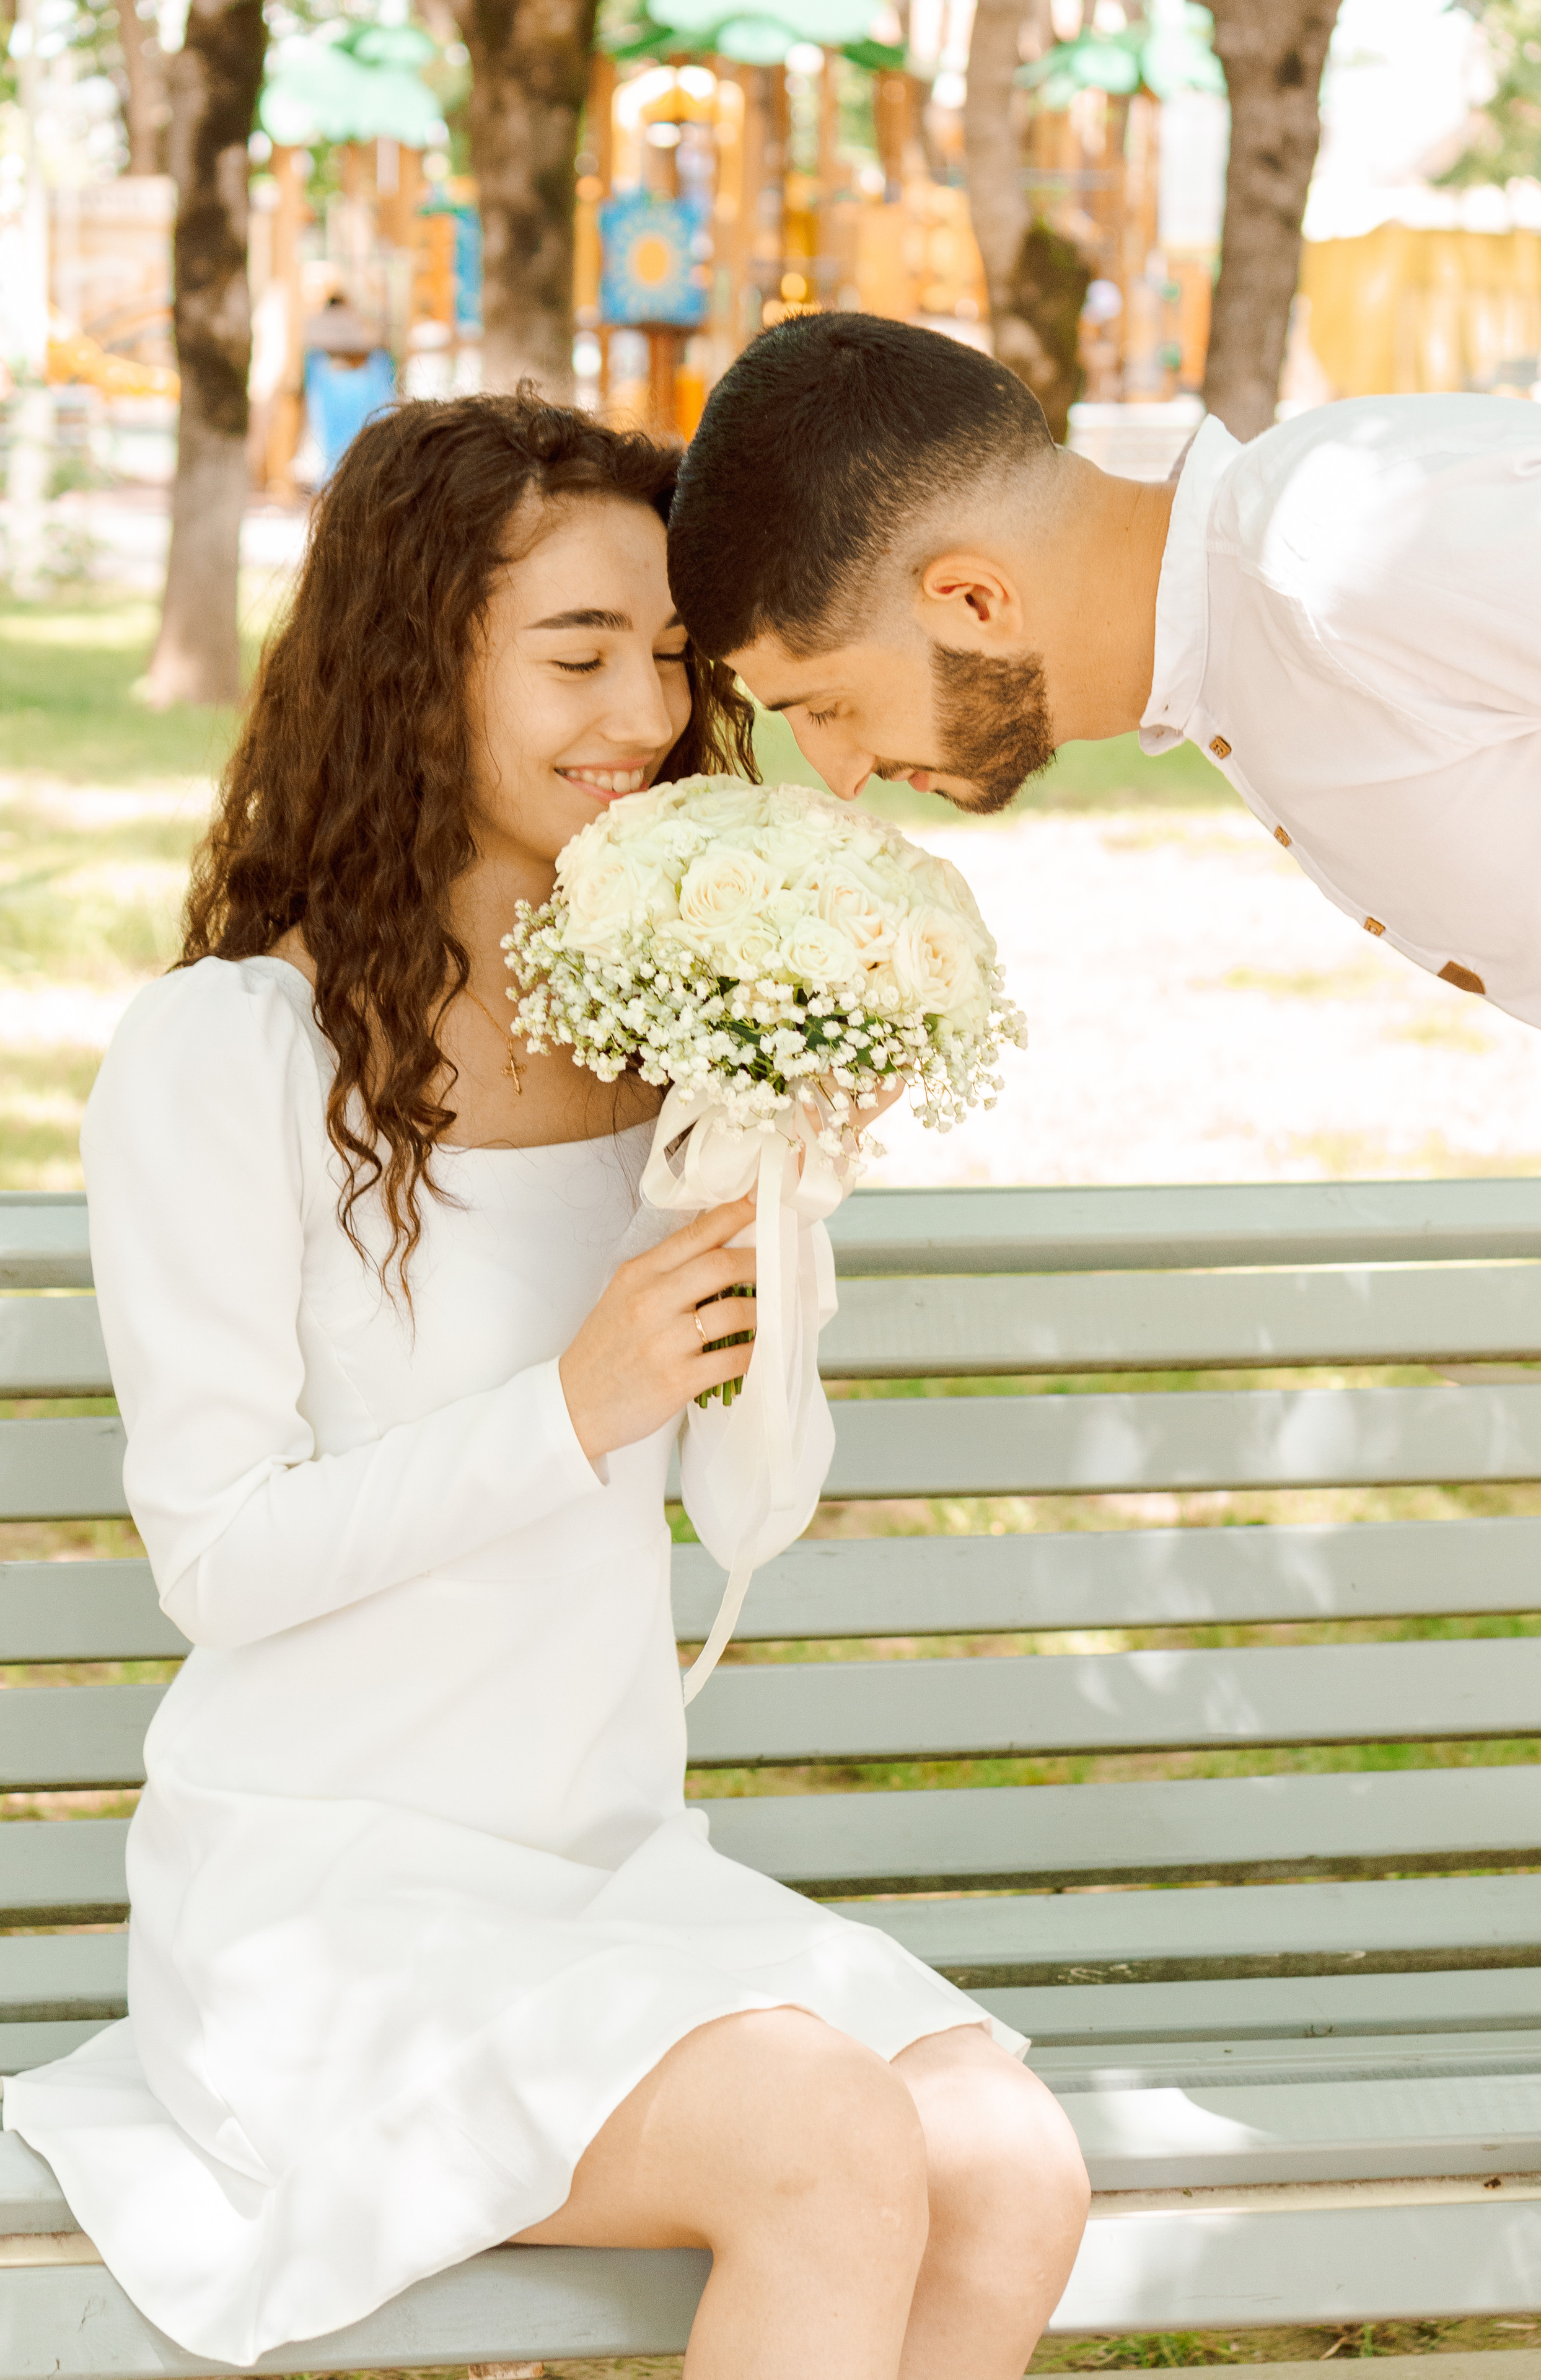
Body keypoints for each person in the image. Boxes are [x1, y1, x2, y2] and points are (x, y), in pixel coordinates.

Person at [2, 390, 1088, 2378]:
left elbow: (750, 1519)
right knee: (829, 2144)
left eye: (669, 663)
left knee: (1007, 2160)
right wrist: (573, 1402)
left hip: (603, 1878)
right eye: (573, 655)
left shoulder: (680, 1051)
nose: (639, 717)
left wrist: (783, 1190)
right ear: (413, 672)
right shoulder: (226, 1056)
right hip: (328, 1904)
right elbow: (215, 1564)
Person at [668, 314, 1541, 1044]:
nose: (842, 775)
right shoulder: (1242, 642)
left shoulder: (1336, 550)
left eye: (828, 708)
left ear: (974, 602)